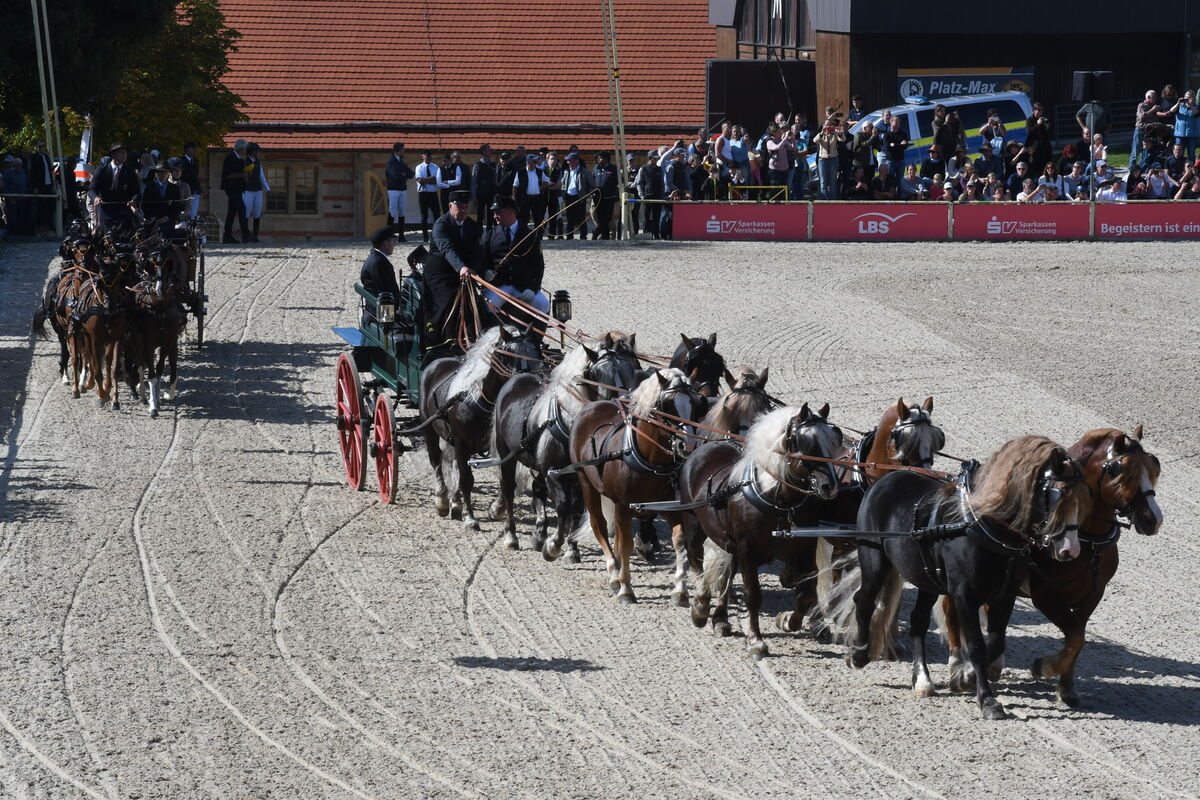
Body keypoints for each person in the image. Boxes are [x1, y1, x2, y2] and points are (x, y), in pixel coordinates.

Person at [421, 190, 484, 362]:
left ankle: (473, 336)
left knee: (475, 301)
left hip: (463, 272)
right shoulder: (441, 224)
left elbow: (477, 252)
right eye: (459, 207)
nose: (463, 210)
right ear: (450, 206)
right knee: (450, 298)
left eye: (465, 207)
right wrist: (461, 267)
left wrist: (473, 269)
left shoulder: (472, 226)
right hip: (439, 271)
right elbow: (446, 248)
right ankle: (449, 339)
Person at [481, 195, 547, 332]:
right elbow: (482, 260)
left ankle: (535, 342)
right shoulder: (489, 235)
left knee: (543, 304)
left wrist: (532, 287)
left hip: (523, 286)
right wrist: (485, 272)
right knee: (489, 305)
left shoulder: (530, 235)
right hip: (499, 286)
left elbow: (538, 266)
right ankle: (495, 341)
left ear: (510, 212)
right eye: (494, 213)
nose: (494, 216)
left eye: (498, 212)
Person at [90, 142, 141, 229]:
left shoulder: (129, 171)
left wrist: (133, 200)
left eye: (125, 153)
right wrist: (96, 197)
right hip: (106, 212)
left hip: (124, 213)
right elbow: (92, 189)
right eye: (121, 152)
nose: (124, 155)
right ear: (114, 154)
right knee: (106, 239)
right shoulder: (102, 170)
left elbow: (136, 191)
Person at [359, 225, 402, 325]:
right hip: (381, 315)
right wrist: (397, 311)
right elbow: (384, 291)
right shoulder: (379, 263)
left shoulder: (375, 259)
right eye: (393, 241)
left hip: (375, 310)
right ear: (386, 244)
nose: (394, 244)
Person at [220, 139, 251, 243]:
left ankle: (227, 236)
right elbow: (227, 175)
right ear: (241, 148)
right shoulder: (230, 158)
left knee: (231, 213)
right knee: (242, 210)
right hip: (231, 188)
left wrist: (246, 176)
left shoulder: (241, 160)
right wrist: (242, 175)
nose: (246, 150)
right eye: (245, 148)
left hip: (238, 189)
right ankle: (246, 235)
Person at [384, 142, 415, 236]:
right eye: (402, 149)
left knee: (402, 211)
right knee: (392, 211)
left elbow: (410, 174)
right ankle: (389, 234)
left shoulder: (401, 161)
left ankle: (401, 235)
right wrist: (403, 174)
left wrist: (403, 174)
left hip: (402, 189)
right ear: (398, 150)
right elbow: (396, 175)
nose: (404, 150)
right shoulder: (391, 162)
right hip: (393, 189)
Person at [659, 147, 690, 240]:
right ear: (676, 156)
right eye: (682, 155)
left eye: (684, 155)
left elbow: (687, 181)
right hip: (670, 194)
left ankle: (674, 233)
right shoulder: (671, 167)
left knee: (678, 216)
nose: (684, 157)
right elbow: (668, 182)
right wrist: (678, 191)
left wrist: (687, 191)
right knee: (666, 215)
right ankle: (663, 234)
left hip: (681, 194)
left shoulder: (684, 167)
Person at [141, 162, 183, 230]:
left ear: (169, 173)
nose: (163, 174)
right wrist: (153, 217)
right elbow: (144, 205)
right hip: (152, 222)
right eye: (160, 172)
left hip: (168, 222)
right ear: (156, 174)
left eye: (165, 172)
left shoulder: (174, 188)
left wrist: (166, 218)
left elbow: (177, 208)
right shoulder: (149, 187)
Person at [560, 152, 592, 239]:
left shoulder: (585, 172)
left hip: (580, 197)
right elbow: (563, 183)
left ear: (576, 161)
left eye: (570, 160)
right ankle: (569, 235)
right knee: (570, 217)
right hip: (569, 197)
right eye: (568, 161)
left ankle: (583, 236)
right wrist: (563, 193)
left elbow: (592, 186)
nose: (568, 162)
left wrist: (587, 195)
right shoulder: (566, 171)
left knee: (581, 217)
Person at [26, 141, 55, 233]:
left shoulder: (46, 156)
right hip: (40, 185)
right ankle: (40, 227)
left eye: (43, 146)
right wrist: (34, 187)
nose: (42, 148)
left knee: (50, 205)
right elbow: (32, 173)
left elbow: (49, 170)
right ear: (37, 147)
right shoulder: (34, 157)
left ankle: (48, 226)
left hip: (48, 184)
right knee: (41, 206)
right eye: (40, 146)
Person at [471, 144, 498, 238]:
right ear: (483, 152)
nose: (491, 151)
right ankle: (479, 235)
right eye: (489, 150)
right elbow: (473, 181)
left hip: (491, 194)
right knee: (480, 215)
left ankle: (489, 234)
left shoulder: (494, 164)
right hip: (480, 194)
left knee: (491, 215)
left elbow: (496, 180)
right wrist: (474, 196)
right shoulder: (477, 165)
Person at [512, 153, 548, 226]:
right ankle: (523, 235)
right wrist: (514, 199)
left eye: (536, 162)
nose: (535, 163)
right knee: (524, 218)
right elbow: (515, 186)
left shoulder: (539, 171)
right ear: (528, 162)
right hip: (524, 198)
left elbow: (546, 181)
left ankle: (538, 236)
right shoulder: (520, 172)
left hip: (537, 198)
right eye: (534, 161)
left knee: (538, 218)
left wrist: (541, 187)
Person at [414, 151, 443, 242]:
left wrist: (427, 180)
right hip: (423, 194)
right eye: (426, 156)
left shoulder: (436, 167)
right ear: (423, 156)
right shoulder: (419, 167)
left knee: (437, 215)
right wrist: (430, 179)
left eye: (429, 156)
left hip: (433, 193)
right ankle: (425, 237)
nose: (428, 158)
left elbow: (437, 180)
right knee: (424, 216)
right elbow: (419, 180)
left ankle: (436, 235)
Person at [813, 119, 844, 200]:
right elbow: (815, 140)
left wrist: (840, 133)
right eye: (826, 124)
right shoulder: (821, 134)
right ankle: (824, 201)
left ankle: (833, 201)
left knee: (833, 181)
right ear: (823, 126)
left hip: (833, 159)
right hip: (822, 160)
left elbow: (843, 139)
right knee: (823, 182)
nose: (828, 126)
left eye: (829, 125)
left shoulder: (834, 134)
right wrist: (822, 133)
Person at [242, 143, 268, 242]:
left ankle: (255, 235)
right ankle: (245, 235)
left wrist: (267, 187)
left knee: (257, 212)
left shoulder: (258, 162)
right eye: (254, 151)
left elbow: (261, 176)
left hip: (258, 190)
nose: (255, 153)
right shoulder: (245, 162)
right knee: (246, 213)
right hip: (248, 190)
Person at [635, 148, 662, 238]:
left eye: (657, 158)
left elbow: (662, 183)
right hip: (647, 197)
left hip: (658, 197)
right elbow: (639, 183)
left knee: (656, 217)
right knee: (647, 217)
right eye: (654, 158)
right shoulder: (643, 169)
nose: (656, 159)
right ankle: (647, 234)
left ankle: (656, 235)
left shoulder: (659, 169)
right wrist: (642, 196)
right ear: (650, 158)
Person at [591, 151, 619, 239]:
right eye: (598, 158)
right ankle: (605, 236)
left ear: (607, 159)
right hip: (598, 198)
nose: (599, 160)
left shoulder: (613, 169)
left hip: (609, 198)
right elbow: (592, 181)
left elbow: (618, 181)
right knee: (600, 218)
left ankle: (595, 233)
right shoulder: (595, 169)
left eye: (601, 158)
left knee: (607, 218)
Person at [1169, 90, 1200, 161]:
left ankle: (1192, 169)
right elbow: (1171, 111)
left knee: (1191, 152)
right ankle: (1178, 168)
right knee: (1178, 152)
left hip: (1192, 135)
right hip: (1180, 134)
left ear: (1193, 98)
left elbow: (1196, 113)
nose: (1187, 99)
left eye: (1190, 98)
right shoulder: (1180, 107)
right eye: (1186, 97)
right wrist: (1178, 103)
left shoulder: (1197, 107)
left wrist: (1191, 105)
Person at [1133, 90, 1159, 169]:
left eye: (1155, 96)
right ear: (1148, 97)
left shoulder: (1154, 106)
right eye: (1153, 97)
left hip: (1150, 132)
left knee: (1148, 151)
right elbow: (1141, 116)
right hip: (1140, 130)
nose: (1155, 98)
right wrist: (1153, 110)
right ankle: (1132, 168)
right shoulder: (1141, 105)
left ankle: (1144, 167)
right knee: (1136, 151)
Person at [1025, 103, 1053, 175]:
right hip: (1034, 147)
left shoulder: (1044, 119)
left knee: (1046, 165)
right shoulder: (1029, 120)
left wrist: (1047, 127)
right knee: (1034, 166)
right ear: (1033, 110)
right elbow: (1030, 133)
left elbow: (1049, 135)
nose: (1040, 112)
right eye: (1038, 110)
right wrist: (1038, 124)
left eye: (1041, 110)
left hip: (1044, 146)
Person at [438, 152, 467, 219]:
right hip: (444, 194)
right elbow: (439, 183)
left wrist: (447, 182)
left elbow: (458, 181)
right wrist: (449, 185)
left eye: (445, 161)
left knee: (455, 210)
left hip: (454, 193)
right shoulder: (440, 169)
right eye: (442, 161)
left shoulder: (456, 167)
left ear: (450, 160)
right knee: (445, 211)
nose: (443, 163)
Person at [180, 142, 203, 219]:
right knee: (185, 212)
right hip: (184, 190)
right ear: (188, 149)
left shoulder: (196, 161)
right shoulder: (181, 161)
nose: (195, 150)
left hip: (194, 189)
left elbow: (195, 176)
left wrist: (199, 189)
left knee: (193, 212)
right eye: (193, 148)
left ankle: (192, 228)